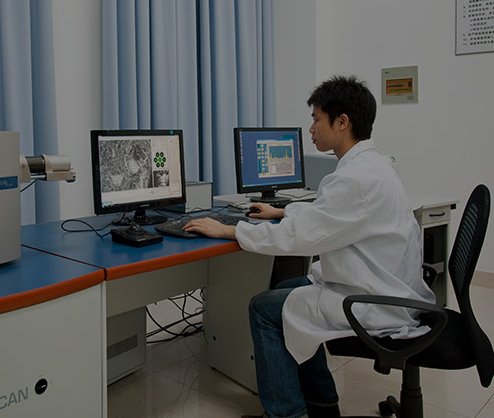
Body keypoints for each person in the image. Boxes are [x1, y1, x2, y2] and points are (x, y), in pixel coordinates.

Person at [183, 75, 435, 418]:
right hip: (385, 288)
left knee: (263, 308)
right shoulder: (373, 165)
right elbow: (328, 214)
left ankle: (288, 413)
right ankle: (322, 402)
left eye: (317, 119)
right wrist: (282, 211)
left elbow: (298, 238)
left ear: (342, 122)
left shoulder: (354, 178)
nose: (312, 129)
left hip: (373, 302)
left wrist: (229, 230)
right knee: (287, 288)